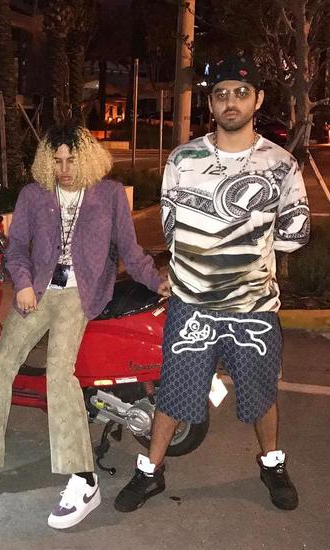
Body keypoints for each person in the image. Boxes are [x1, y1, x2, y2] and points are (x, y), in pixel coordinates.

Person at [114, 55, 310, 513]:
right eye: (221, 94)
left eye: (241, 92)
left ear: (258, 99)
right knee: (174, 391)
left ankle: (272, 464)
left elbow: (295, 234)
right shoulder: (183, 160)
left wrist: (244, 251)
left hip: (253, 308)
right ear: (211, 102)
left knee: (261, 393)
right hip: (191, 304)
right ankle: (151, 471)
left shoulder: (281, 164)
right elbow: (171, 228)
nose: (230, 101)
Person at [0, 123, 169, 528]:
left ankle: (84, 479)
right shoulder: (33, 195)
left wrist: (154, 279)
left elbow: (129, 250)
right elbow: (16, 250)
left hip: (80, 294)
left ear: (87, 158)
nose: (64, 169)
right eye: (56, 161)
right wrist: (23, 283)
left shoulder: (109, 194)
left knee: (59, 375)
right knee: (0, 368)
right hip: (38, 290)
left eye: (71, 160)